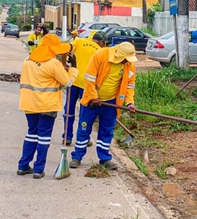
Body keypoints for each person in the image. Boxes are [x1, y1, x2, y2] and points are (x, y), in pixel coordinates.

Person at [17, 34, 77, 179]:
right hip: (47, 105)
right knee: (44, 137)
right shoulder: (53, 64)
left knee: (31, 134)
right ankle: (38, 170)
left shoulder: (28, 60)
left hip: (29, 104)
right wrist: (73, 68)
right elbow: (67, 82)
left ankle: (23, 166)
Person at [70, 41, 138, 170]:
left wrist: (130, 102)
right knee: (84, 129)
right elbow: (89, 79)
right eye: (125, 59)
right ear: (118, 55)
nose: (127, 62)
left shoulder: (129, 64)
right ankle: (77, 157)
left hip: (111, 102)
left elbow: (129, 86)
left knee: (107, 131)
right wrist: (94, 97)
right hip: (91, 101)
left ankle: (105, 159)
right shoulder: (101, 55)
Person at [63, 30, 107, 145]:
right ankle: (83, 139)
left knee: (69, 110)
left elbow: (67, 55)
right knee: (84, 114)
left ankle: (67, 137)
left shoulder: (78, 41)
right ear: (102, 42)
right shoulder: (101, 51)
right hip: (87, 85)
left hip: (73, 80)